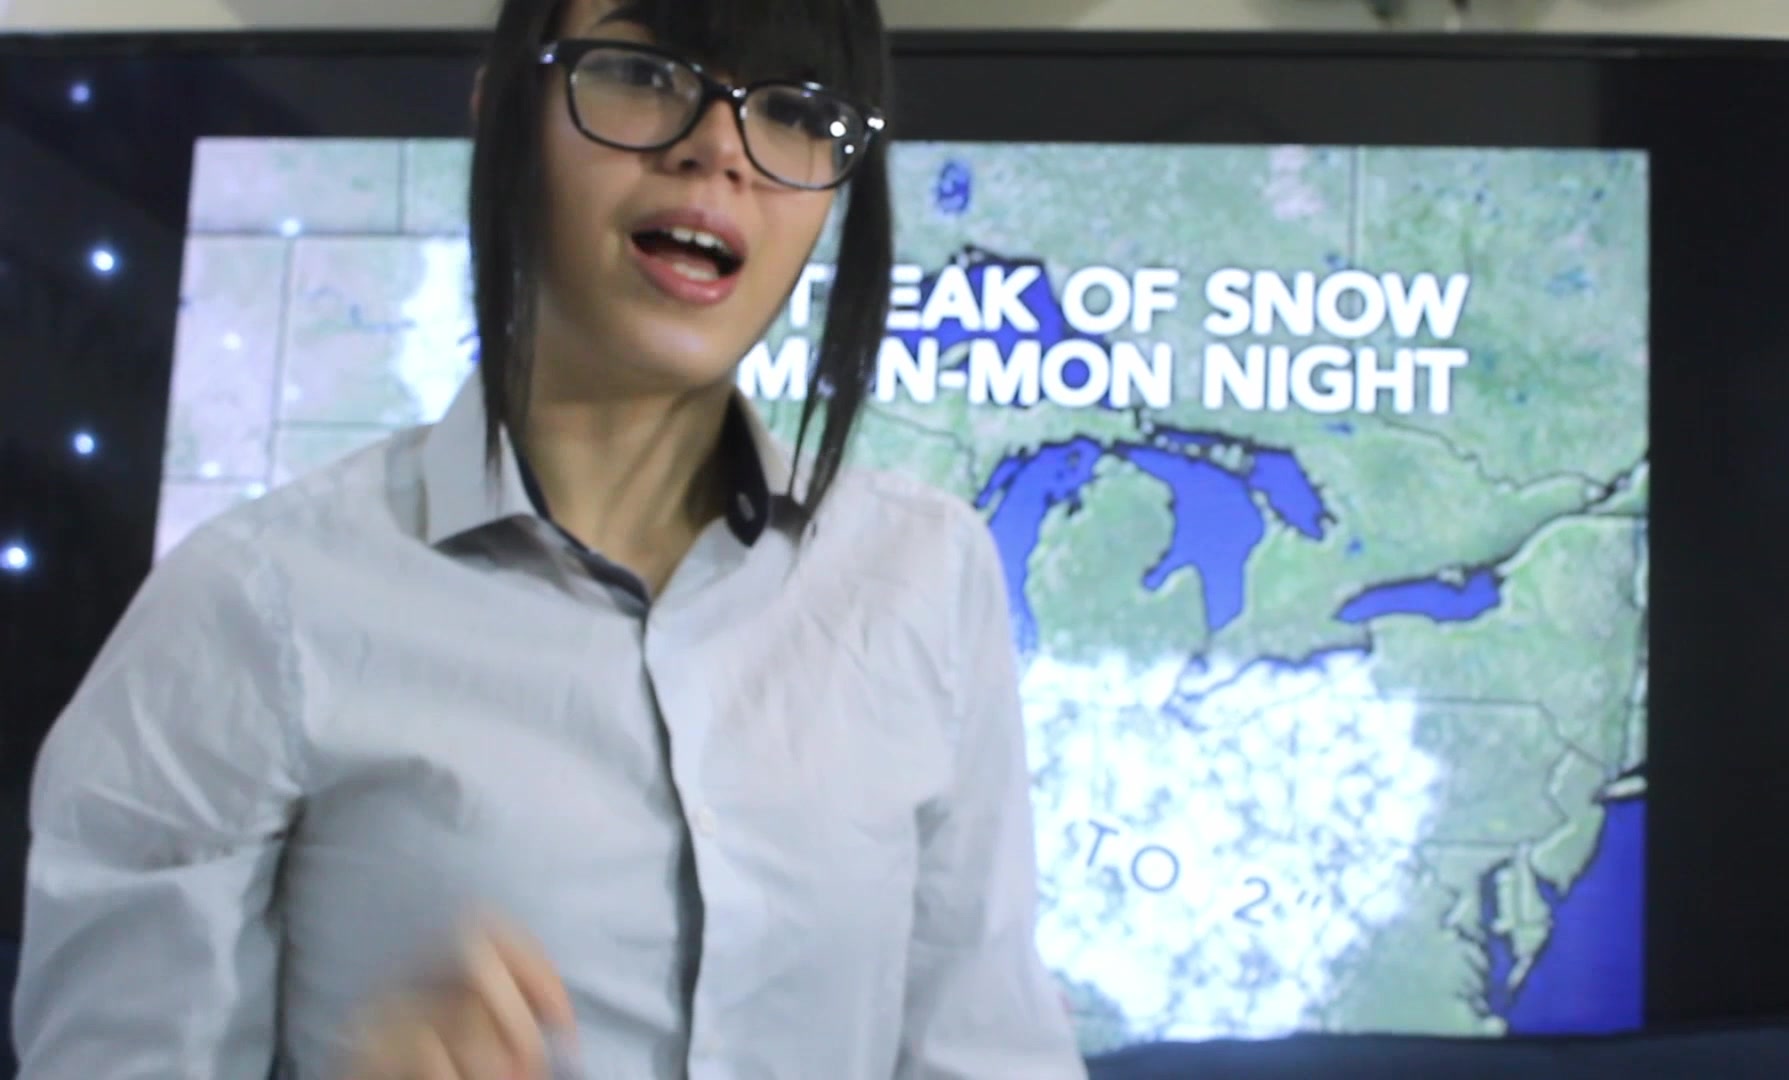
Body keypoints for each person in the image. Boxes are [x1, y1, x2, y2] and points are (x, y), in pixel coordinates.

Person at [9, 0, 1087, 1076]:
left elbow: (989, 1051)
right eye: (645, 74)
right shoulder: (253, 604)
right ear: (505, 114)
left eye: (797, 110)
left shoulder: (926, 572)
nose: (721, 149)